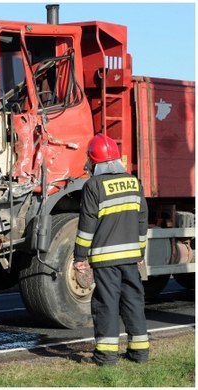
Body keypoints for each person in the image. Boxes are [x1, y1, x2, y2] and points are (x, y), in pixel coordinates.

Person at [73, 134, 150, 366]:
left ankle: (106, 356)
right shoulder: (134, 182)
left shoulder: (93, 185)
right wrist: (140, 253)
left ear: (94, 161)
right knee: (133, 301)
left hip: (105, 259)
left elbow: (86, 226)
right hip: (130, 257)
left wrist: (79, 257)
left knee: (106, 304)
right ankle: (139, 353)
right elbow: (142, 221)